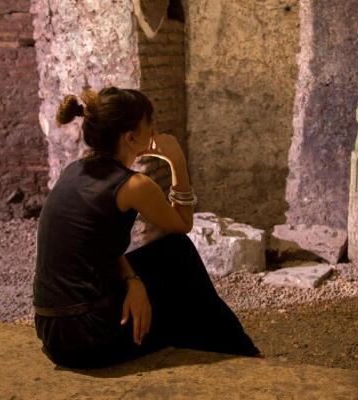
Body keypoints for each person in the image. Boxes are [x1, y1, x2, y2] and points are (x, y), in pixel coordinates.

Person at [32, 86, 261, 369]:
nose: (156, 131)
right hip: (86, 339)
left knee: (174, 270)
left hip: (53, 333)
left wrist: (133, 281)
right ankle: (247, 357)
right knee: (180, 259)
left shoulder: (74, 171)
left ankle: (236, 351)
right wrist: (176, 161)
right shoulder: (133, 185)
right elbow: (182, 224)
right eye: (150, 125)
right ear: (130, 138)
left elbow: (96, 250)